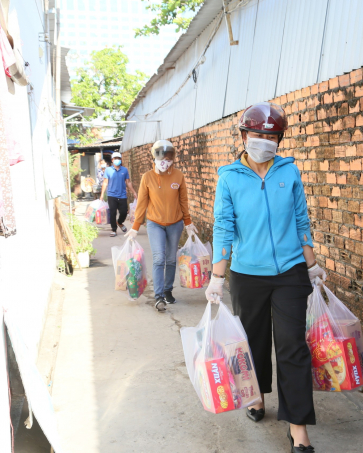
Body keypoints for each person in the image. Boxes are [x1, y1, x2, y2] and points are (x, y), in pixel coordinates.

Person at [205, 102, 325, 452]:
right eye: (257, 134)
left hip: (290, 271)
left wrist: (312, 263)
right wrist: (217, 275)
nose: (263, 141)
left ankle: (299, 428)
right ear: (244, 136)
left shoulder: (290, 173)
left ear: (279, 140)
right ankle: (255, 396)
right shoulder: (229, 177)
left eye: (271, 136)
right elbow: (224, 226)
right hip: (247, 274)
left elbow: (302, 222)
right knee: (253, 341)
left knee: (293, 347)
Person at [124, 140, 197, 312]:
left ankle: (168, 290)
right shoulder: (147, 177)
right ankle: (158, 296)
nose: (165, 161)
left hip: (175, 223)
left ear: (173, 159)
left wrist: (188, 222)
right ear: (154, 157)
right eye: (162, 157)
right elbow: (141, 203)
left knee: (171, 259)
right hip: (155, 224)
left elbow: (183, 201)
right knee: (159, 258)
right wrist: (135, 227)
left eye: (169, 157)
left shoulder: (178, 176)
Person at [100, 152, 137, 237]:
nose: (117, 160)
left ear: (121, 160)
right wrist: (102, 195)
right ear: (112, 160)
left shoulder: (124, 170)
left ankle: (119, 222)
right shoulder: (108, 170)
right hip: (111, 195)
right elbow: (105, 182)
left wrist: (134, 192)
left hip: (122, 195)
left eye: (118, 158)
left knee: (124, 212)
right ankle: (114, 229)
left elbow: (128, 182)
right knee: (112, 212)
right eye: (115, 158)